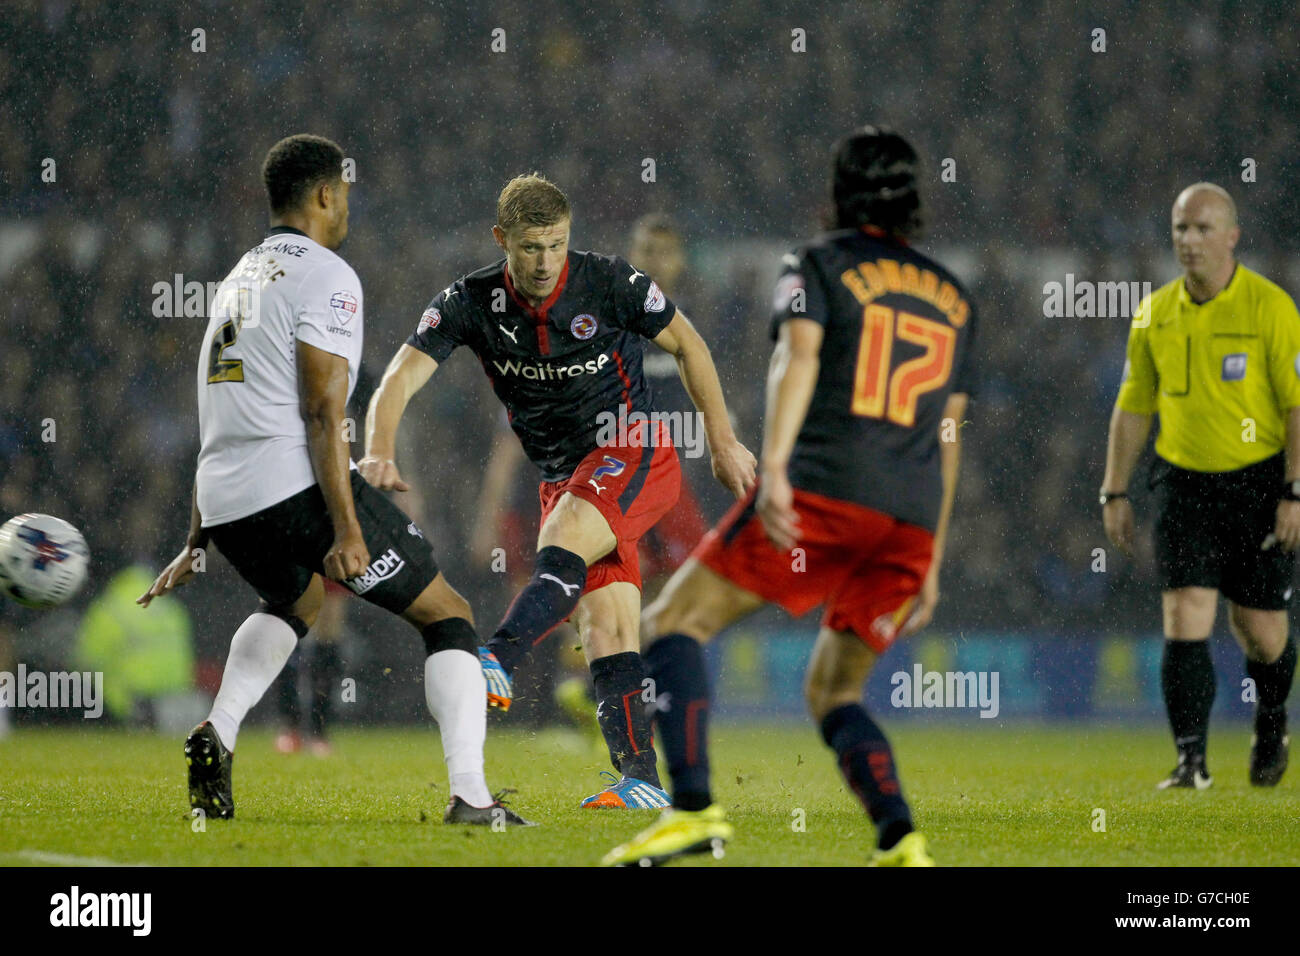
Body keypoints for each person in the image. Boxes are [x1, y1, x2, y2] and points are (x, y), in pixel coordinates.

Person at [605, 127, 977, 866]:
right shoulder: (955, 297)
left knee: (673, 622)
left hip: (827, 490)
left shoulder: (815, 263)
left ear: (837, 193)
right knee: (834, 693)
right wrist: (930, 553)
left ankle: (693, 811)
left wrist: (773, 465)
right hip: (907, 518)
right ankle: (902, 841)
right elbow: (949, 430)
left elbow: (798, 355)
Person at [138, 134, 531, 826]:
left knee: (298, 603)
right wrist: (348, 527)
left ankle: (219, 732)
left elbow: (217, 409)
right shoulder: (327, 274)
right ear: (324, 194)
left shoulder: (240, 277)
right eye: (344, 192)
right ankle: (470, 795)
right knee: (450, 616)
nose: (348, 205)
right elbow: (324, 409)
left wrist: (197, 535)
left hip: (227, 493)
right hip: (290, 487)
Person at [361, 173, 754, 809]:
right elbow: (400, 379)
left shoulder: (609, 281)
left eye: (556, 245)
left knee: (566, 537)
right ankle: (642, 780)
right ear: (502, 240)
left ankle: (498, 657)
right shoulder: (470, 301)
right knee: (607, 625)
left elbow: (689, 344)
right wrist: (378, 449)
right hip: (563, 474)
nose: (546, 262)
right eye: (530, 248)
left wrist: (723, 441)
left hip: (634, 449)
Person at [1102, 182, 1297, 790]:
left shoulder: (1270, 308)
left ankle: (1271, 720)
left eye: (1202, 229)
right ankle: (1192, 762)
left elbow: (1296, 406)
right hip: (1184, 482)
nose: (1189, 241)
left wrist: (1295, 491)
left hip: (1259, 484)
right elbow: (1134, 406)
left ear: (1232, 236)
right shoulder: (1154, 314)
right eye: (1181, 229)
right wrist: (1115, 489)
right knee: (1185, 613)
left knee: (1259, 632)